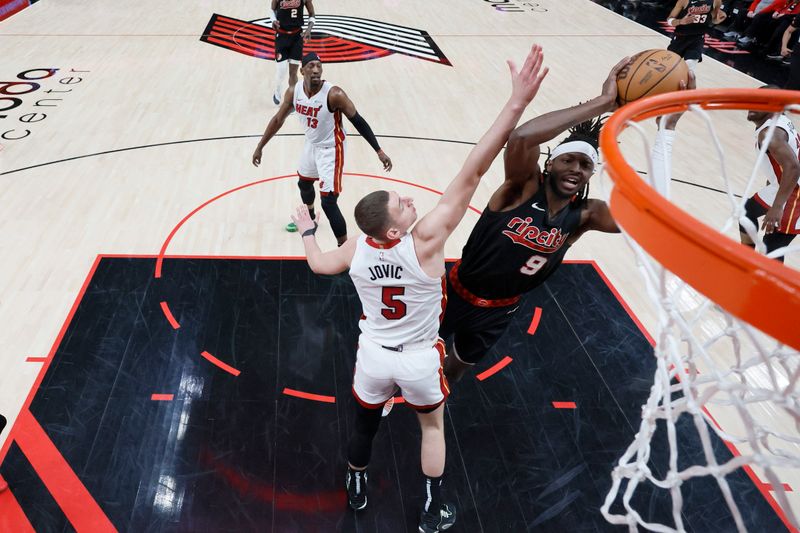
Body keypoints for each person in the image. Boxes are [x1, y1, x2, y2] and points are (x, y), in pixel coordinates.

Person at [290, 45, 548, 532]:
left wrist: (307, 228)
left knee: (364, 424)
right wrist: (516, 104)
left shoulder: (357, 250)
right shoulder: (426, 242)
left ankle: (357, 482)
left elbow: (321, 265)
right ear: (392, 232)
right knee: (432, 425)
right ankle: (432, 504)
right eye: (401, 205)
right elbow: (474, 169)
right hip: (418, 358)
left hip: (375, 354)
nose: (409, 200)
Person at [439, 57, 632, 384]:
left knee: (456, 369)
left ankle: (434, 403)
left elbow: (641, 220)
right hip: (454, 293)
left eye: (585, 165)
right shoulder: (521, 188)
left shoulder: (586, 214)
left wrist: (658, 130)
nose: (575, 168)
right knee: (410, 353)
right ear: (549, 165)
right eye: (568, 160)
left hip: (500, 310)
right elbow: (522, 139)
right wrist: (602, 104)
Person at [253, 52, 392, 244]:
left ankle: (343, 249)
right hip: (311, 144)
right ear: (302, 70)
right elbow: (278, 120)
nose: (316, 70)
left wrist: (379, 150)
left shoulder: (335, 94)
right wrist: (260, 146)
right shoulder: (294, 92)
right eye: (311, 66)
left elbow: (358, 121)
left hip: (331, 149)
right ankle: (310, 220)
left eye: (319, 66)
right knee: (304, 184)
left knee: (328, 202)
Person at [740, 86, 800, 261]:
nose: (751, 105)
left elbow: (793, 167)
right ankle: (745, 258)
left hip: (795, 193)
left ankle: (771, 285)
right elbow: (779, 164)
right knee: (746, 212)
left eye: (760, 102)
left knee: (771, 247)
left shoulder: (770, 134)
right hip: (784, 185)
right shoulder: (779, 120)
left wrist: (777, 207)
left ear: (774, 107)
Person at [271, 0, 315, 105]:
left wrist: (309, 30)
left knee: (293, 72)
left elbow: (312, 13)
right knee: (281, 71)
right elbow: (272, 9)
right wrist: (273, 20)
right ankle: (277, 90)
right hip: (281, 36)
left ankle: (292, 101)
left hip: (296, 37)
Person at [667, 0, 727, 72]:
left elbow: (713, 20)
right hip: (680, 37)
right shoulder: (684, 1)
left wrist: (718, 20)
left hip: (697, 38)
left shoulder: (716, 1)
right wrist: (681, 21)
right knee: (669, 66)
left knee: (689, 67)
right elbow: (669, 20)